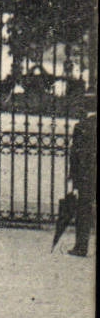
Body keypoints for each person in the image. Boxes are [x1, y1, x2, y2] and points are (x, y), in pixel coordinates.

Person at [67, 100, 95, 257]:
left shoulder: (82, 126)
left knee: (83, 210)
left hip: (86, 175)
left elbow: (75, 154)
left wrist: (73, 176)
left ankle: (81, 247)